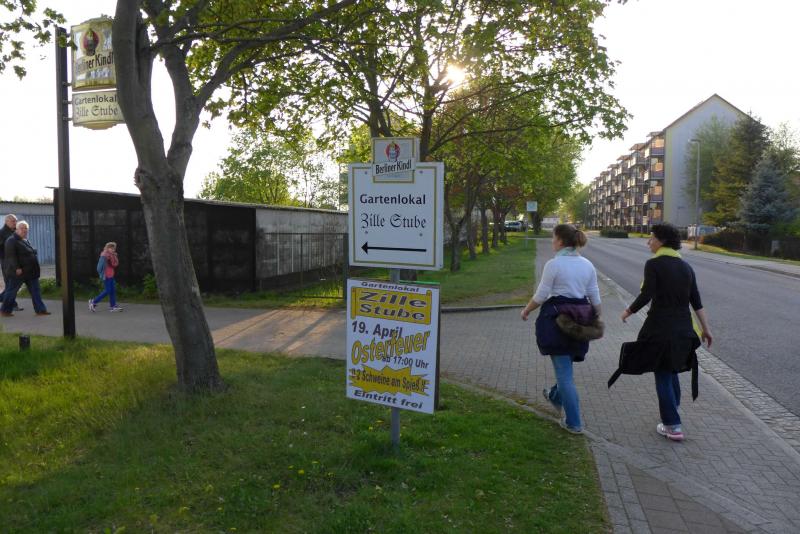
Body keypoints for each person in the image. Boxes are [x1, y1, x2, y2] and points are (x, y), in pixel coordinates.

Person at [620, 223, 713, 442]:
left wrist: (627, 311)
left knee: (662, 373)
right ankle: (673, 411)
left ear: (661, 241)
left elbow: (646, 294)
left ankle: (672, 425)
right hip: (684, 329)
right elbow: (696, 302)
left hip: (660, 328)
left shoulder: (654, 264)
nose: (648, 242)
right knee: (671, 370)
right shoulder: (686, 267)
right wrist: (706, 330)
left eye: (651, 238)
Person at [521, 224, 602, 434]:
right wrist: (595, 318)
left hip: (557, 321)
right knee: (566, 368)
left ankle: (574, 423)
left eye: (553, 238)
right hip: (580, 321)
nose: (552, 241)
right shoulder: (587, 265)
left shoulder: (554, 264)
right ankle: (554, 397)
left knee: (565, 375)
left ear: (560, 241)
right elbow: (594, 295)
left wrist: (526, 310)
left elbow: (541, 295)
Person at [1, 220, 50, 317]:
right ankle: (5, 311)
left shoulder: (25, 240)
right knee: (11, 292)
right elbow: (11, 256)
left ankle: (40, 310)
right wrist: (17, 268)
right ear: (17, 229)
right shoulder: (11, 240)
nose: (24, 230)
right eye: (22, 228)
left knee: (36, 292)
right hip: (19, 272)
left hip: (30, 272)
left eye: (26, 229)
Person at [89, 242, 123, 312]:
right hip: (106, 276)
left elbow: (115, 264)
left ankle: (113, 306)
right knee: (108, 290)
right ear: (107, 248)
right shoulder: (104, 255)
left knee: (112, 290)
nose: (113, 250)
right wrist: (102, 274)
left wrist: (115, 256)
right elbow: (99, 268)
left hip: (111, 275)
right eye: (111, 248)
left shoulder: (112, 255)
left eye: (114, 248)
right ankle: (93, 301)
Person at [0, 214, 22, 312]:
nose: (15, 223)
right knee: (10, 283)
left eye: (16, 221)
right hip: (7, 261)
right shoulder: (2, 233)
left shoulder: (14, 232)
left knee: (13, 283)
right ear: (6, 222)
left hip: (15, 261)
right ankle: (11, 304)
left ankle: (3, 298)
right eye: (13, 221)